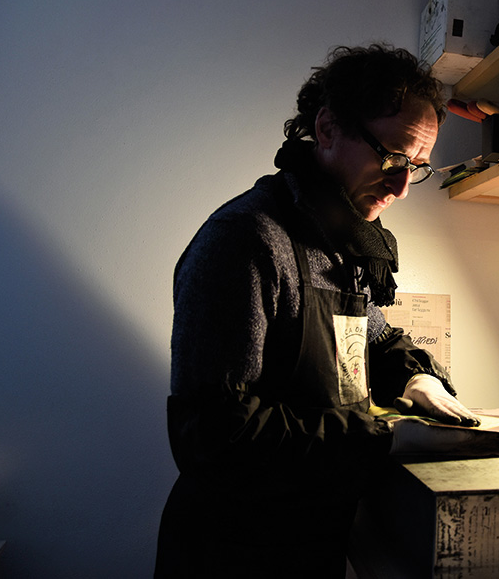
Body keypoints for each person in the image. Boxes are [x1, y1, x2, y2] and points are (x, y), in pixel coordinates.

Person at [154, 44, 479, 577]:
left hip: (310, 538)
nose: (401, 187)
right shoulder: (245, 242)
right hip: (232, 552)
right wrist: (384, 438)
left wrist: (415, 377)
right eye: (393, 158)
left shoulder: (342, 243)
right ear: (327, 128)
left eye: (417, 168)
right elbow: (214, 436)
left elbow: (373, 339)